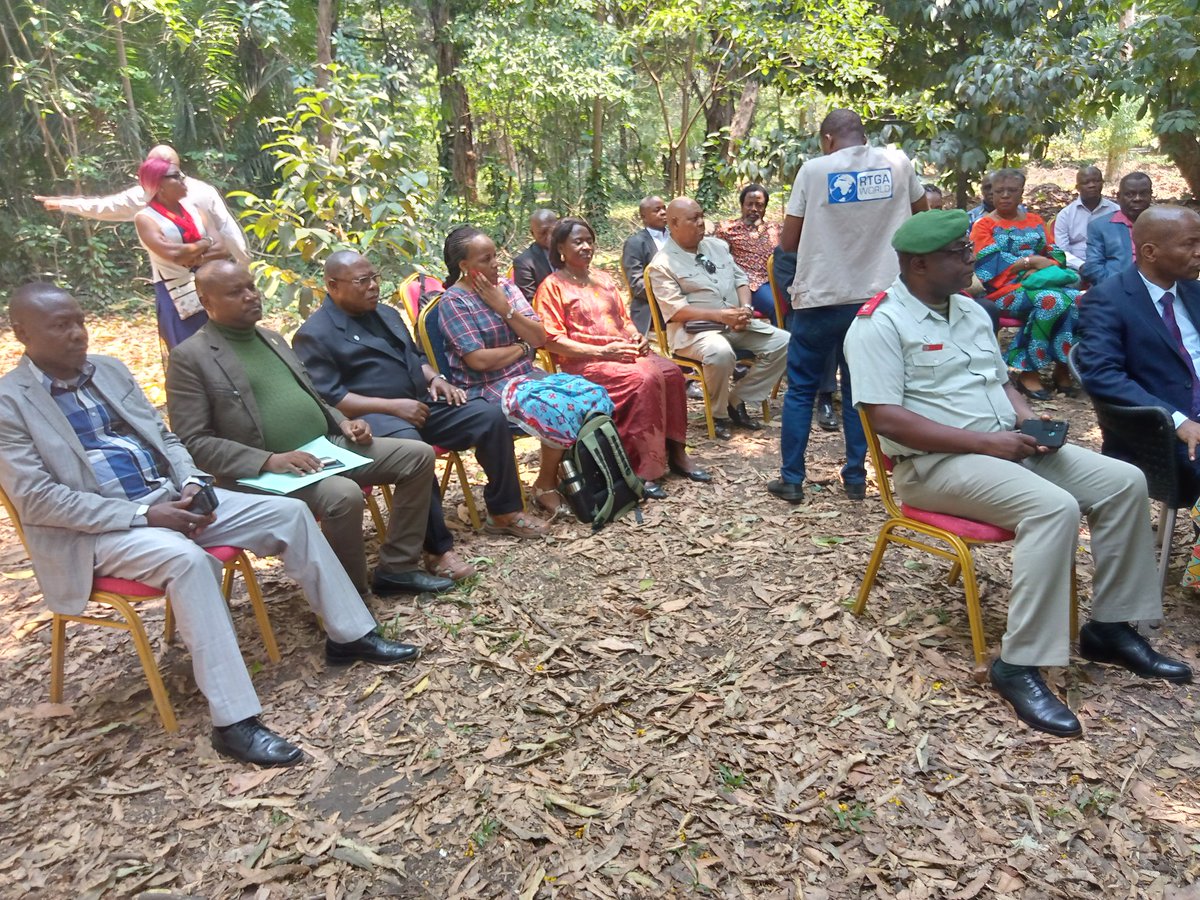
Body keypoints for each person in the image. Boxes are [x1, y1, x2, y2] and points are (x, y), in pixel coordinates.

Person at [0, 283, 423, 767]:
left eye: (79, 321)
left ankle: (349, 636)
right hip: (101, 532)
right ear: (21, 333)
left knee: (289, 515)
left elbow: (165, 438)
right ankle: (233, 721)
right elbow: (38, 500)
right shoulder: (10, 403)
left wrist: (193, 482)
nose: (77, 333)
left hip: (170, 500)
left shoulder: (109, 371)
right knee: (187, 562)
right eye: (61, 326)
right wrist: (145, 515)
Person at [845, 209, 1190, 739]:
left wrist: (1028, 421)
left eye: (968, 248)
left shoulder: (969, 310)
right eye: (959, 253)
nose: (973, 259)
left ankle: (1110, 628)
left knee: (1124, 482)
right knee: (1052, 508)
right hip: (935, 465)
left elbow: (1001, 381)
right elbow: (886, 418)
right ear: (919, 264)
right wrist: (989, 443)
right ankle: (1019, 663)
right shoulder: (878, 324)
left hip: (1007, 446)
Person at [165, 260, 454, 597]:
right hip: (263, 473)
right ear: (206, 301)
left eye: (251, 287)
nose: (250, 296)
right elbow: (194, 442)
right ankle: (350, 598)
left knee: (417, 456)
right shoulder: (191, 357)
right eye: (235, 292)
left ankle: (397, 568)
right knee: (342, 495)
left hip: (324, 448)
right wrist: (268, 460)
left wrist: (345, 423)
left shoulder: (272, 339)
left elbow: (313, 397)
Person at [292, 250, 545, 568]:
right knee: (414, 449)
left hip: (418, 402)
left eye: (375, 278)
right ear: (333, 285)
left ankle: (504, 511)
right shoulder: (314, 334)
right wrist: (394, 407)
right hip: (371, 418)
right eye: (362, 281)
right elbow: (332, 397)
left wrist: (436, 379)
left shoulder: (385, 314)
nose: (373, 286)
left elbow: (415, 357)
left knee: (488, 416)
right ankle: (437, 550)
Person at [770, 108, 927, 504]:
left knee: (801, 389)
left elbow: (788, 243)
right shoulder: (898, 163)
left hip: (821, 297)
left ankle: (792, 479)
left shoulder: (814, 170)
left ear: (827, 139)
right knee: (861, 390)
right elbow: (921, 222)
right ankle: (856, 476)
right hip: (880, 299)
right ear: (864, 135)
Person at [535, 217, 710, 499]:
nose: (586, 247)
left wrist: (637, 336)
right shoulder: (552, 286)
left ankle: (677, 453)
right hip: (584, 362)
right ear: (560, 248)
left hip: (622, 351)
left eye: (589, 241)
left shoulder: (603, 279)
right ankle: (643, 468)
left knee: (671, 373)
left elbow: (624, 321)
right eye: (578, 242)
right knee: (643, 379)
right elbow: (552, 340)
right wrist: (602, 352)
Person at [437, 225, 567, 514]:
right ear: (464, 266)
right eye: (486, 259)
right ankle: (546, 486)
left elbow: (539, 337)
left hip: (525, 376)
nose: (496, 264)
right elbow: (479, 361)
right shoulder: (454, 302)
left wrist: (504, 308)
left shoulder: (506, 288)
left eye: (495, 255)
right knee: (556, 406)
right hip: (484, 387)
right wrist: (521, 348)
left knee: (581, 394)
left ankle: (561, 478)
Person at [1077, 205, 1200, 503]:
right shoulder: (1107, 300)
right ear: (1150, 252)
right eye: (1190, 244)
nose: (1199, 252)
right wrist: (1177, 420)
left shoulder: (1194, 292)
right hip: (1163, 433)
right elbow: (1101, 375)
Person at [645, 198, 789, 441]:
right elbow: (676, 311)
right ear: (674, 224)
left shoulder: (717, 247)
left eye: (702, 216)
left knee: (783, 342)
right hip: (693, 333)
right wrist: (721, 316)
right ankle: (718, 414)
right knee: (720, 352)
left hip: (734, 323)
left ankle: (738, 400)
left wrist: (745, 309)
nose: (701, 223)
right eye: (693, 219)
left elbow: (741, 279)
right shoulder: (662, 264)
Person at [35, 144, 250, 264]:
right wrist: (63, 204)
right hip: (174, 284)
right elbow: (105, 207)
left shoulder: (202, 192)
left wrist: (247, 268)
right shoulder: (142, 196)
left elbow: (226, 229)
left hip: (211, 274)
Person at [971, 168, 1079, 401]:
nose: (1005, 195)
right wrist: (1033, 262)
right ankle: (1028, 371)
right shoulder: (983, 225)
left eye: (1012, 190)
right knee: (1051, 301)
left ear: (1021, 193)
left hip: (1044, 283)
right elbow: (989, 265)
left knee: (1076, 300)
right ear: (991, 193)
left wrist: (1040, 264)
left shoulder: (1036, 221)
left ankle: (1063, 366)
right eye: (999, 191)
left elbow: (1056, 254)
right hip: (1005, 292)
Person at [131, 155, 232, 349]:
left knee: (223, 346)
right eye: (176, 176)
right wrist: (206, 243)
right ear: (159, 185)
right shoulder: (145, 218)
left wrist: (195, 255)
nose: (183, 180)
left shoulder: (195, 210)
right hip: (177, 294)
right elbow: (174, 255)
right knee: (189, 349)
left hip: (211, 288)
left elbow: (222, 249)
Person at [714, 184, 782, 324]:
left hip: (777, 280)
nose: (754, 209)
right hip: (751, 285)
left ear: (765, 207)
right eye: (749, 204)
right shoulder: (728, 230)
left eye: (759, 205)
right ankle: (782, 338)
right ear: (742, 206)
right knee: (777, 307)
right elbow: (716, 256)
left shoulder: (775, 229)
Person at [1082, 172, 1154, 288]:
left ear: (1151, 195)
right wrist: (1117, 289)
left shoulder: (1164, 225)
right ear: (1119, 197)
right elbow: (1092, 267)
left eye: (1143, 193)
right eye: (1130, 194)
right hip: (1114, 288)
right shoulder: (1100, 226)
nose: (1137, 199)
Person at [1053, 166, 1118, 272]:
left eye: (1096, 181)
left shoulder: (1116, 211)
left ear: (1102, 183)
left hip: (1110, 267)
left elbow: (1122, 246)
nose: (1092, 185)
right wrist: (1082, 267)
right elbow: (1061, 252)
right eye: (1086, 182)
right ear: (1078, 187)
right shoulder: (1065, 215)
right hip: (1076, 269)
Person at [621, 196, 669, 335]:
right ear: (644, 217)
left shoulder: (676, 236)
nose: (663, 212)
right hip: (654, 307)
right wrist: (670, 291)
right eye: (657, 210)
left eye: (664, 208)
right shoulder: (635, 243)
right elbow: (637, 284)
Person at [511, 209, 558, 302]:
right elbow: (529, 301)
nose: (549, 236)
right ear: (533, 234)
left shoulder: (568, 250)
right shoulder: (524, 263)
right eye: (543, 233)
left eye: (553, 231)